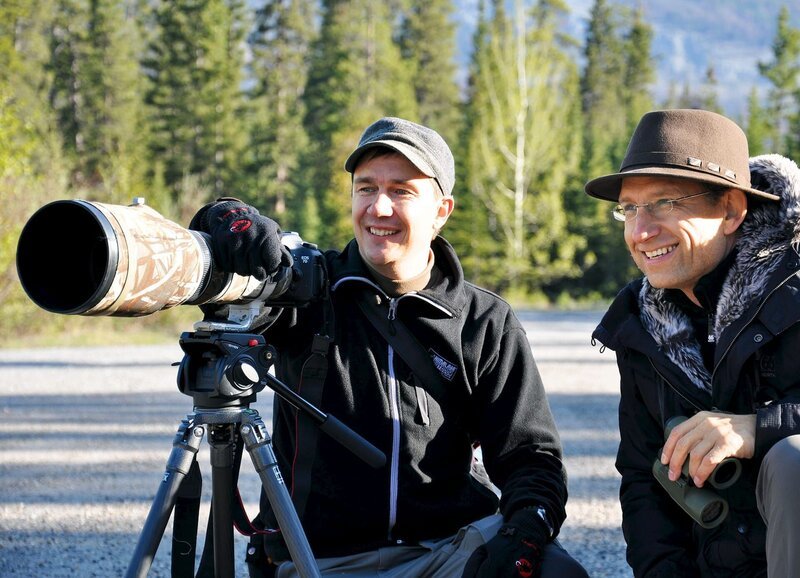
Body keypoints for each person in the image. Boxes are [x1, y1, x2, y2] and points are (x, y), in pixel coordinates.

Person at [190, 117, 588, 578]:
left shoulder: (482, 320)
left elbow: (531, 458)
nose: (378, 208)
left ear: (442, 210)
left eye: (402, 190)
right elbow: (216, 266)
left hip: (452, 550)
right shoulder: (307, 294)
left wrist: (523, 537)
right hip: (323, 560)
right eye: (365, 188)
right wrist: (224, 217)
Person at [585, 108, 800, 577]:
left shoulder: (795, 286)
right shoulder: (642, 325)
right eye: (630, 208)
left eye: (666, 203)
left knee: (793, 460)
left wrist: (756, 428)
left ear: (731, 210)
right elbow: (643, 480)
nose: (640, 232)